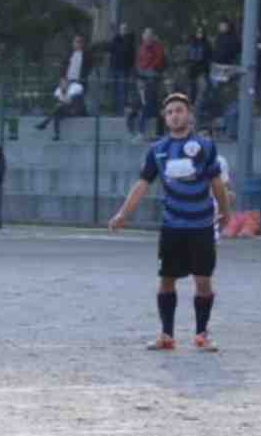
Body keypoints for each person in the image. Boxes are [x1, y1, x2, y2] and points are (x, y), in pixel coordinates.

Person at [108, 93, 230, 352]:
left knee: (203, 282)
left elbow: (216, 182)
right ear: (165, 118)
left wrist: (227, 213)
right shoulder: (158, 150)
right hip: (173, 227)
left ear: (190, 115)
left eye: (180, 110)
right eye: (170, 112)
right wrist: (123, 214)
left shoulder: (205, 146)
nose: (175, 115)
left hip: (201, 226)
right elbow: (142, 184)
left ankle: (202, 335)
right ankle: (166, 335)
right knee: (166, 279)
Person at [35, 77, 86, 141]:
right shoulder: (59, 90)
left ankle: (45, 123)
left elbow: (69, 100)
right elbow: (58, 99)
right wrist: (62, 101)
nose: (62, 85)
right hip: (65, 110)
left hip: (75, 111)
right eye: (61, 84)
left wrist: (63, 101)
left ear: (68, 83)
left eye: (64, 83)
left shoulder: (75, 87)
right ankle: (57, 135)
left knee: (60, 106)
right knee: (56, 115)